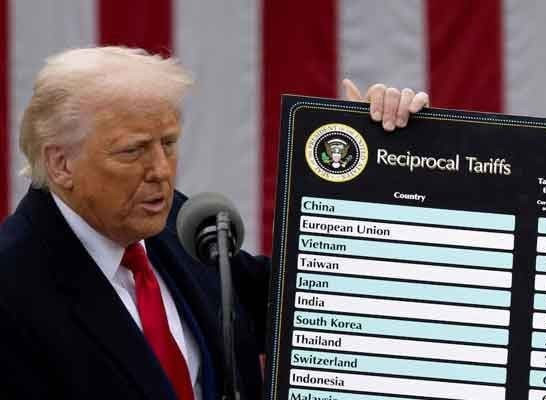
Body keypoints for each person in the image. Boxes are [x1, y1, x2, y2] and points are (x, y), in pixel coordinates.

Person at [0, 46, 428, 400]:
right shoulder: (13, 284)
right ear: (61, 164)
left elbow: (311, 308)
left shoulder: (182, 226)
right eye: (132, 151)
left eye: (169, 143)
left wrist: (377, 164)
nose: (161, 170)